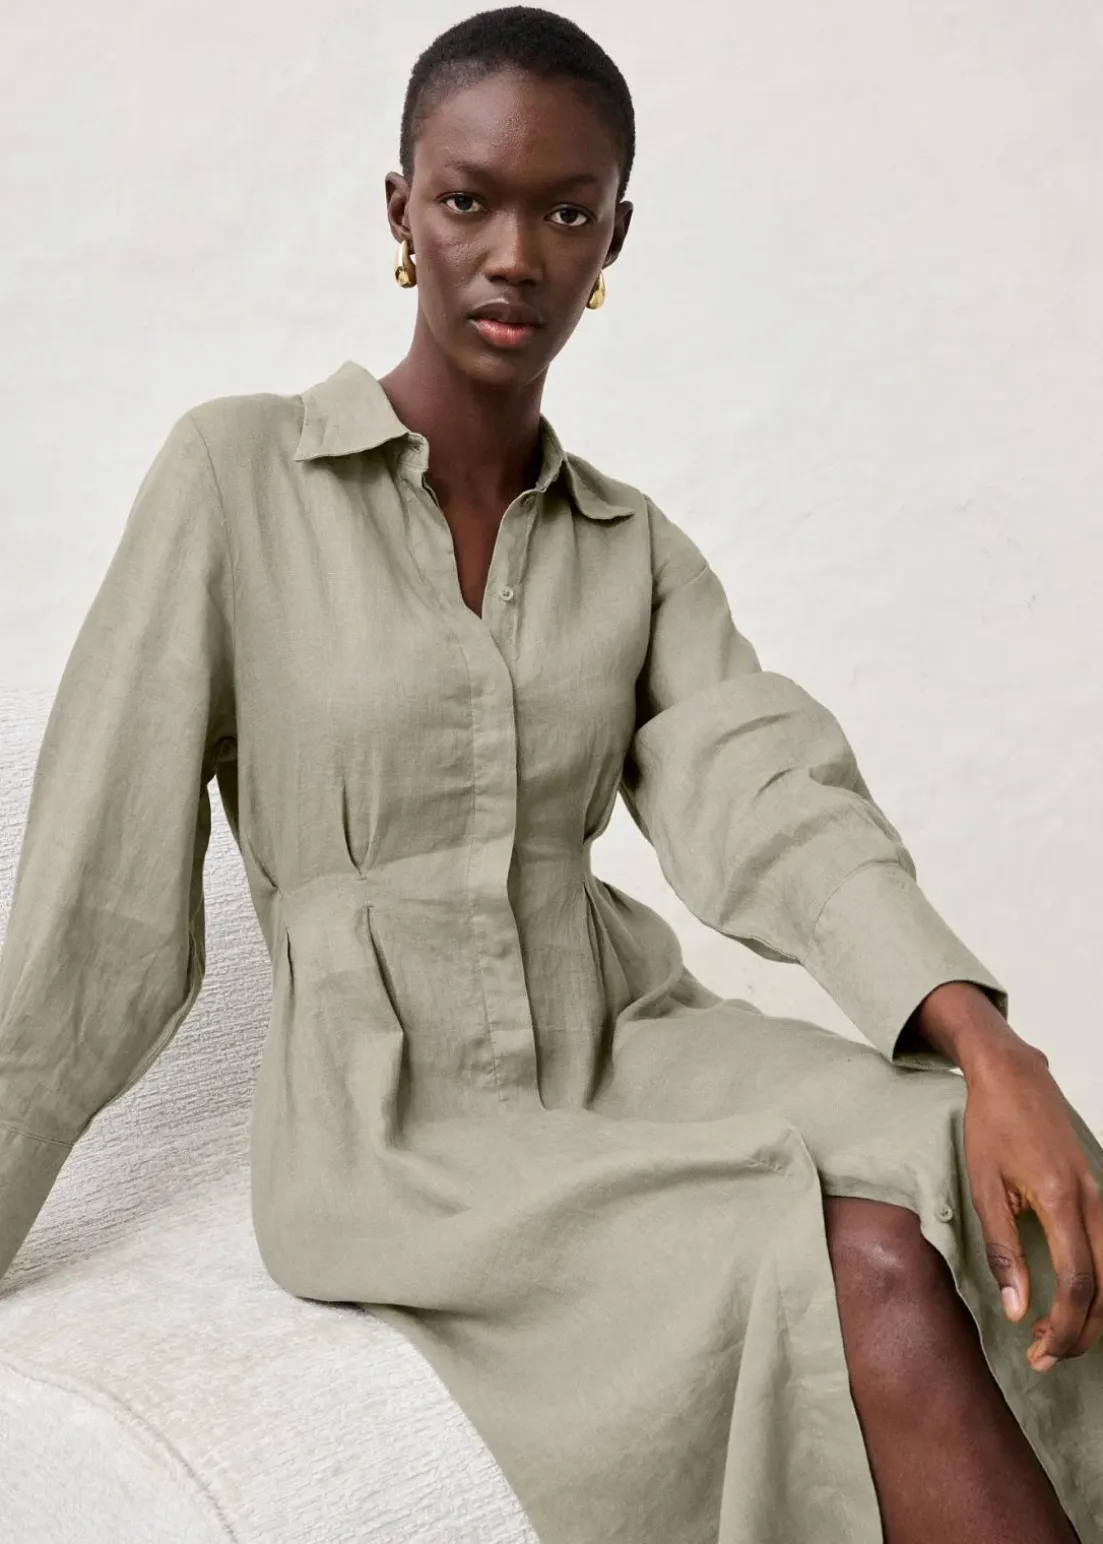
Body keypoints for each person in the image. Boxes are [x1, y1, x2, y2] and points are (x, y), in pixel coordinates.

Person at [0, 6, 1101, 1540]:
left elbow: (766, 798)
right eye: (468, 200)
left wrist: (983, 1044)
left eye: (565, 213)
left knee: (991, 1168)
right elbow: (100, 905)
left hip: (624, 1038)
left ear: (611, 239)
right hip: (398, 1123)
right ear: (402, 212)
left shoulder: (628, 546)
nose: (514, 255)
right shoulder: (233, 478)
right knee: (864, 1265)